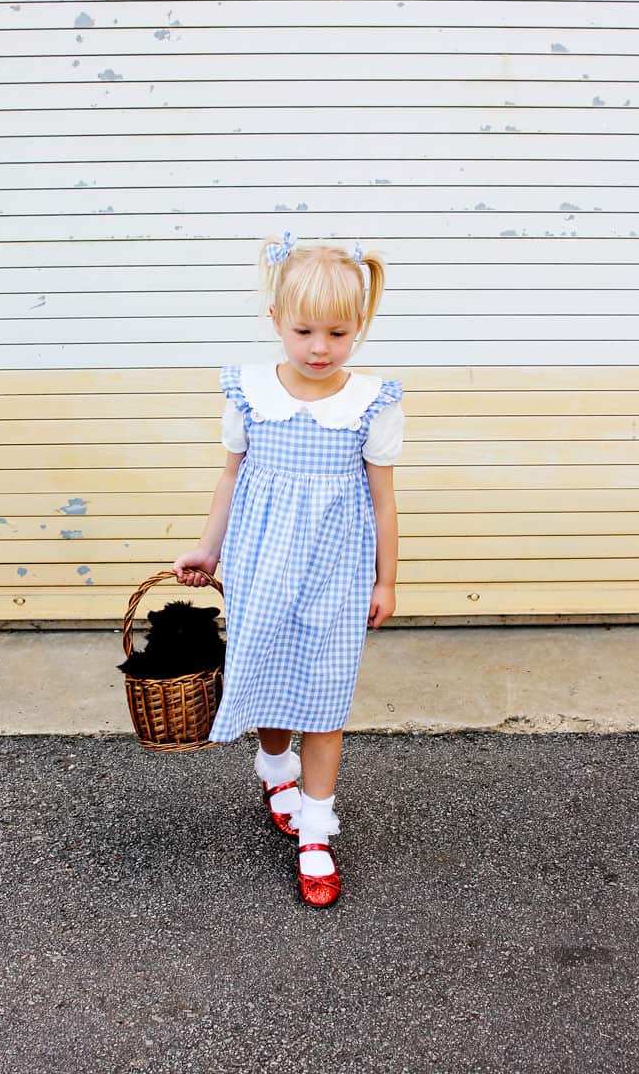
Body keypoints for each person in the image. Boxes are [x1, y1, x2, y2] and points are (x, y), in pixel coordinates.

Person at [172, 232, 404, 908]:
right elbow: (229, 478)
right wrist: (207, 549)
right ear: (276, 320)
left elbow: (384, 503)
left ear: (359, 327)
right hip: (260, 562)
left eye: (338, 331)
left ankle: (315, 829)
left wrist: (387, 580)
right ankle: (276, 767)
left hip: (337, 570)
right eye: (304, 330)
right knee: (271, 681)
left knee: (326, 699)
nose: (320, 347)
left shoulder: (371, 402)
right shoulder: (249, 393)